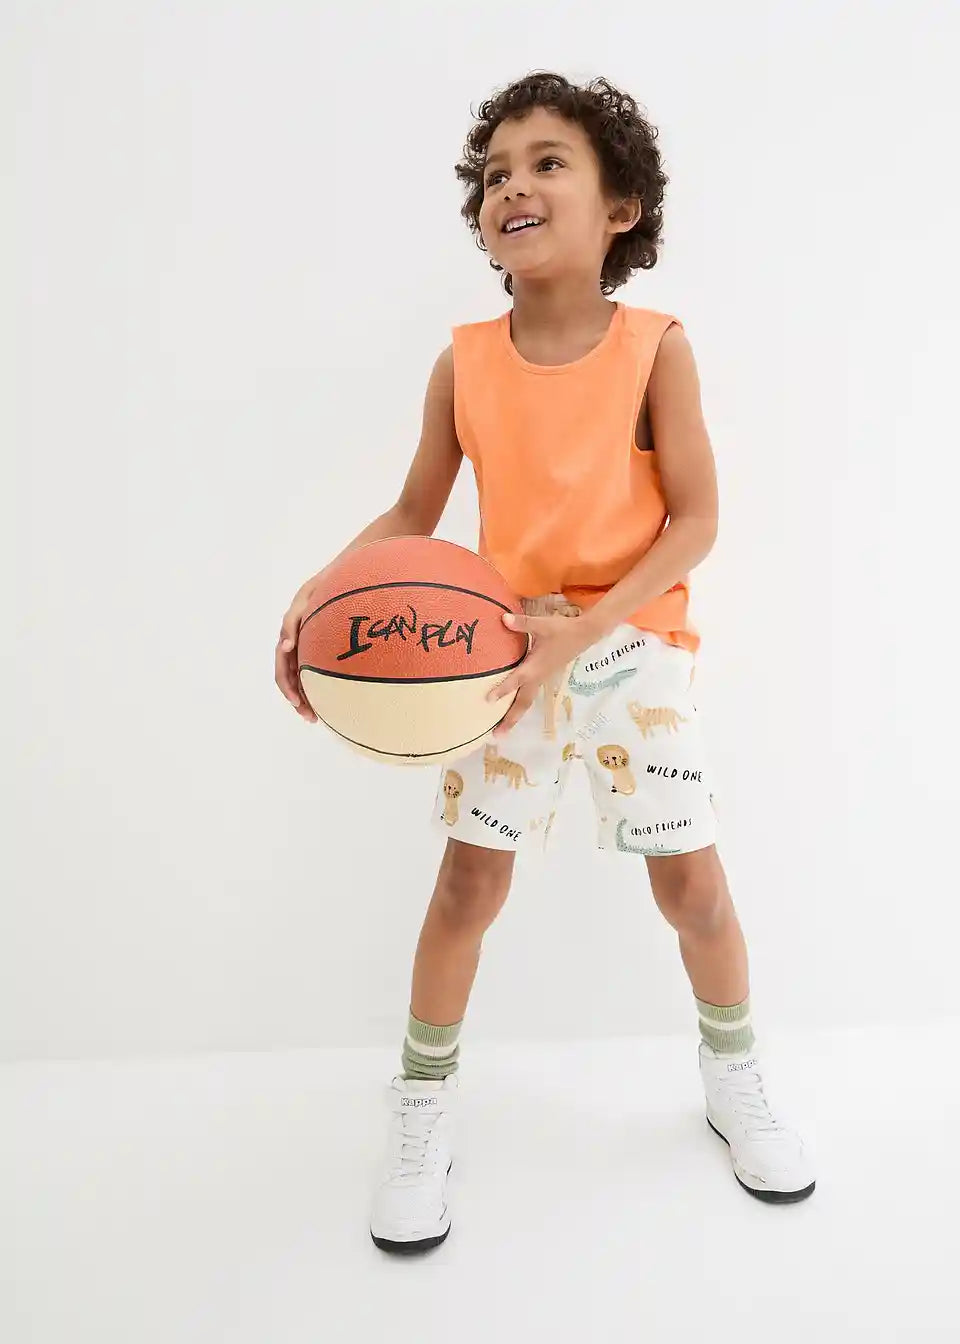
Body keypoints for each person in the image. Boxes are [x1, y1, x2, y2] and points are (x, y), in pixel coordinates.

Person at [275, 71, 815, 1255]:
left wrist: (592, 626)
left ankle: (735, 1076)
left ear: (621, 207)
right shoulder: (464, 362)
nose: (511, 185)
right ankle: (422, 1107)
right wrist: (318, 596)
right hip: (502, 655)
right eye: (494, 173)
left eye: (546, 162)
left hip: (633, 647)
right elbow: (413, 513)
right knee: (467, 889)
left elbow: (696, 523)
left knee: (692, 889)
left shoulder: (656, 348)